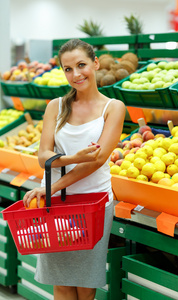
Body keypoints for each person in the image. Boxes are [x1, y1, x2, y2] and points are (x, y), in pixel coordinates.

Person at [23, 38, 126, 300]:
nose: (76, 74)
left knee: (84, 283)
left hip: (93, 203)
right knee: (60, 283)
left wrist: (52, 186)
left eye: (81, 65)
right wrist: (72, 157)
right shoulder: (55, 107)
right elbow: (43, 155)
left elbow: (97, 160)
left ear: (95, 63)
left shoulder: (113, 108)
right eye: (68, 69)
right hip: (56, 205)